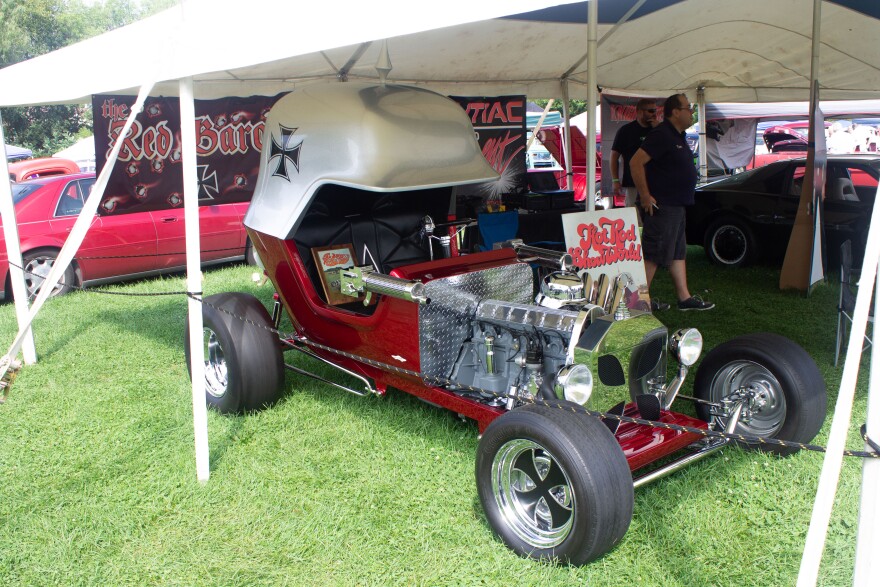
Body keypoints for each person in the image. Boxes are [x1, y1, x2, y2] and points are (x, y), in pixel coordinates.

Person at [629, 93, 714, 312]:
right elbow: (635, 163)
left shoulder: (677, 135)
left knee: (677, 252)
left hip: (676, 205)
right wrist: (645, 195)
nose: (691, 112)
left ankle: (684, 298)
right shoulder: (662, 135)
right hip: (662, 205)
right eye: (688, 108)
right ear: (675, 111)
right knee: (654, 252)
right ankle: (638, 301)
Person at [609, 98, 658, 207]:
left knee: (655, 216)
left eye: (655, 110)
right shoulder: (626, 131)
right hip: (633, 183)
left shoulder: (658, 130)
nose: (654, 114)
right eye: (651, 111)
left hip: (656, 183)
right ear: (640, 111)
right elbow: (614, 156)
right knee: (634, 216)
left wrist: (659, 130)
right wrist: (615, 180)